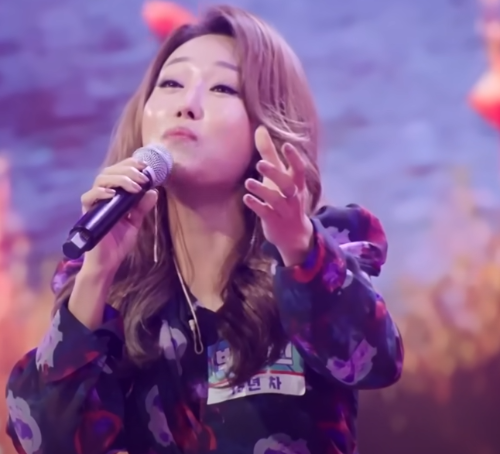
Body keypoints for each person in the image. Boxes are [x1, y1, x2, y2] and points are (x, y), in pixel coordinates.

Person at [5, 5, 404, 454]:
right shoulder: (109, 288)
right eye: (171, 84)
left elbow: (374, 363)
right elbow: (44, 442)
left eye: (221, 88)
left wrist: (299, 247)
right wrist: (97, 274)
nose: (186, 104)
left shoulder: (323, 247)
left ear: (267, 122)